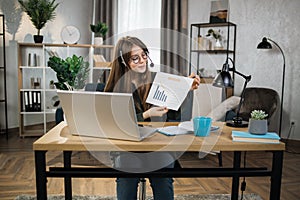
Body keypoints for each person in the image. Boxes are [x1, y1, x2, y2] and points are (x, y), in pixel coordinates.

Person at [104, 36, 200, 200]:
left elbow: (174, 117)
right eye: (135, 58)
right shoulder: (116, 86)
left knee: (162, 177)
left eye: (144, 55)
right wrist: (147, 114)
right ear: (123, 62)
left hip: (158, 145)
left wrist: (186, 91)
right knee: (127, 175)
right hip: (127, 147)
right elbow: (115, 121)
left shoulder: (159, 80)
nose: (142, 61)